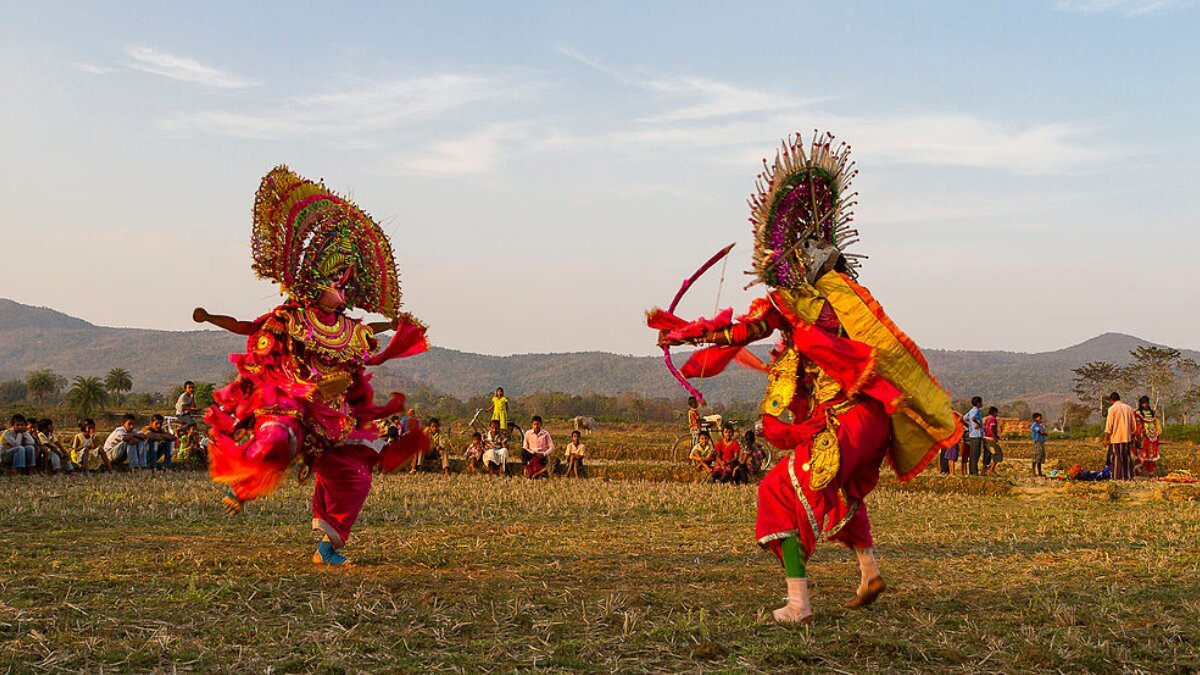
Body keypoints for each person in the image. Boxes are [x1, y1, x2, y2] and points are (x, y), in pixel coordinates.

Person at [649, 131, 960, 624]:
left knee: (777, 490)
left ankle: (799, 603)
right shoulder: (845, 301)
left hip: (846, 420)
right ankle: (869, 571)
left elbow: (743, 328)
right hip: (873, 419)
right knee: (838, 495)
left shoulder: (794, 303)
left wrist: (684, 334)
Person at [194, 166, 429, 565]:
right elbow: (248, 327)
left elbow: (370, 331)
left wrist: (396, 324)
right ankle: (241, 486)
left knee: (355, 477)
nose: (341, 287)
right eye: (334, 280)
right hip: (291, 401)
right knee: (277, 442)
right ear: (313, 282)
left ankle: (328, 547)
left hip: (333, 416)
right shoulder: (291, 317)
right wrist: (210, 317)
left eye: (344, 282)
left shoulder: (349, 329)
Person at [1104, 392, 1136, 481]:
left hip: (1116, 437)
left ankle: (1117, 477)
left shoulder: (1112, 409)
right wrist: (1132, 436)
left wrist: (1106, 438)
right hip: (1127, 437)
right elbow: (1133, 425)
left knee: (1116, 457)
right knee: (1126, 456)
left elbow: (1109, 425)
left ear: (1111, 400)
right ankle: (1128, 476)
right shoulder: (1129, 408)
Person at [1133, 396, 1161, 477]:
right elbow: (1137, 425)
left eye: (1146, 403)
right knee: (1143, 456)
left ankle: (1151, 473)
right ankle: (1138, 471)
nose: (1145, 404)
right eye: (1143, 403)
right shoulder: (1138, 413)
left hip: (1153, 438)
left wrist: (1158, 435)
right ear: (1141, 404)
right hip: (1143, 438)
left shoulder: (1152, 413)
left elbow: (1156, 424)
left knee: (1152, 456)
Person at [964, 397, 984, 476]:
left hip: (972, 434)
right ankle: (974, 472)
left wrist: (969, 426)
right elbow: (973, 418)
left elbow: (964, 418)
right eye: (981, 402)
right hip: (976, 434)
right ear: (978, 403)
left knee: (972, 454)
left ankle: (972, 471)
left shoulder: (971, 411)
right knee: (976, 454)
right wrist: (977, 424)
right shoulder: (976, 411)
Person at [983, 407, 1003, 475]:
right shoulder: (993, 419)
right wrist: (995, 438)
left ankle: (985, 469)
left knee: (987, 454)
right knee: (998, 454)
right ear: (994, 412)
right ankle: (991, 469)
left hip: (986, 438)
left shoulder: (987, 419)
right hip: (991, 439)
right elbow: (991, 429)